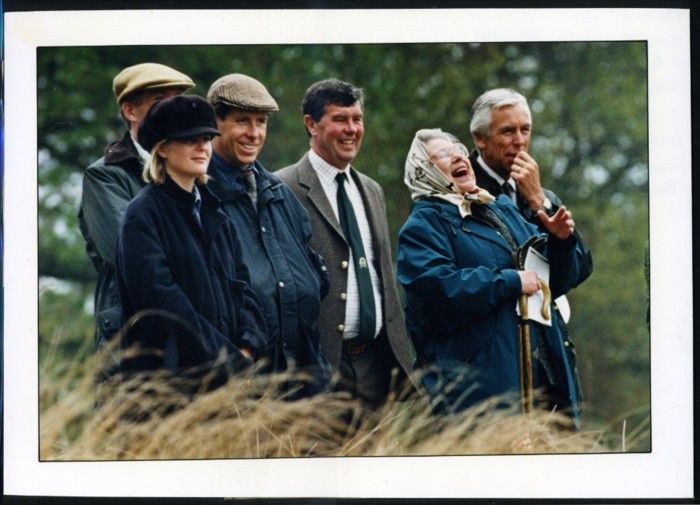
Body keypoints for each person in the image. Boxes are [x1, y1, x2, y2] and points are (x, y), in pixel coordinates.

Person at [397, 129, 588, 425]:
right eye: (445, 154)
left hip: (544, 381)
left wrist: (561, 242)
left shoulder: (501, 208)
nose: (460, 156)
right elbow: (435, 292)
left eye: (460, 149)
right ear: (424, 170)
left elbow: (554, 282)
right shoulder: (424, 222)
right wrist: (509, 282)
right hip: (481, 393)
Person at [277, 78, 416, 407]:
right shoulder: (283, 188)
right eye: (340, 119)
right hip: (319, 370)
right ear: (311, 125)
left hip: (378, 369)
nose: (352, 129)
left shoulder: (371, 190)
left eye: (357, 119)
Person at [115, 95, 267, 377]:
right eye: (189, 139)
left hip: (227, 385)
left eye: (207, 138)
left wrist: (249, 344)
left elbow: (244, 288)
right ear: (162, 149)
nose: (202, 147)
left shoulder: (216, 210)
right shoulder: (142, 216)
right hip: (170, 389)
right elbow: (164, 306)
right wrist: (230, 358)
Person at [205, 73, 331, 395]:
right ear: (214, 123)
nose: (254, 133)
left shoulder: (279, 192)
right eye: (242, 121)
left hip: (304, 379)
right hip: (241, 387)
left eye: (261, 122)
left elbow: (310, 273)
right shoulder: (200, 197)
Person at [468, 87, 593, 399]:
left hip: (546, 363)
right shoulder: (457, 195)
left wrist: (539, 202)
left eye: (525, 130)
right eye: (508, 131)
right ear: (480, 138)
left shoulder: (541, 195)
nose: (520, 141)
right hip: (489, 368)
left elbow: (572, 276)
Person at [78, 62, 195, 350]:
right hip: (134, 338)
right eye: (159, 101)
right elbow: (130, 256)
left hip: (195, 333)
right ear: (130, 111)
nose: (172, 110)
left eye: (176, 100)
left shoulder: (197, 168)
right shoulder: (105, 175)